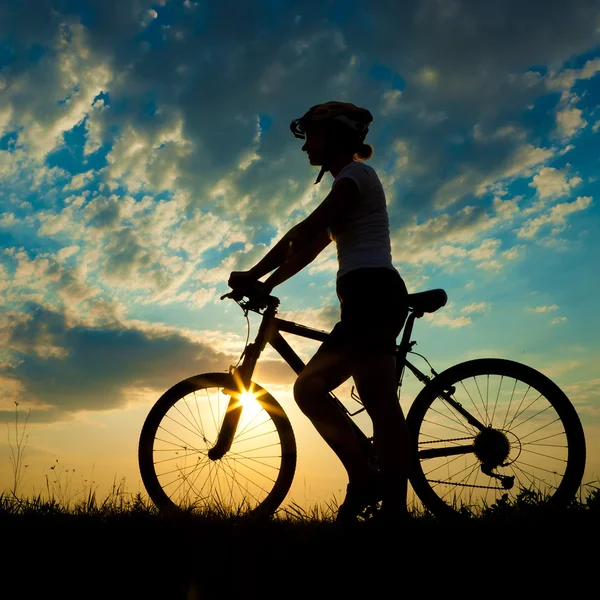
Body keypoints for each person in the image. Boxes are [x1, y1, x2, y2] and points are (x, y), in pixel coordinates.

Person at [228, 101, 411, 523]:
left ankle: (367, 480)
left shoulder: (355, 177)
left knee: (310, 389)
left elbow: (306, 229)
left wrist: (254, 272)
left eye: (311, 135)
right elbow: (310, 248)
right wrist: (267, 285)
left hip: (371, 295)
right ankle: (394, 510)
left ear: (335, 137)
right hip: (369, 296)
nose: (306, 146)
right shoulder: (349, 183)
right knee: (379, 400)